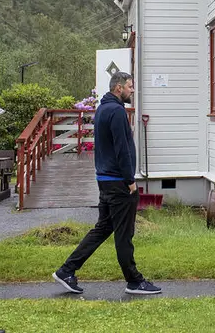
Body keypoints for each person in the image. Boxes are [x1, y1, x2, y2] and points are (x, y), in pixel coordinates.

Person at [53, 72, 161, 295]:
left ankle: (66, 270)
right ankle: (134, 281)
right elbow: (121, 148)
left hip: (105, 179)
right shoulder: (117, 111)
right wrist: (130, 182)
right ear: (119, 88)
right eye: (130, 86)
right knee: (124, 234)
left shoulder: (102, 109)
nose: (133, 90)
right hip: (118, 182)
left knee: (103, 228)